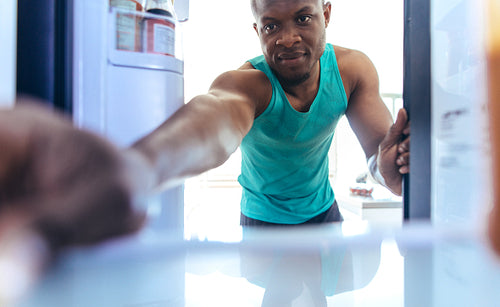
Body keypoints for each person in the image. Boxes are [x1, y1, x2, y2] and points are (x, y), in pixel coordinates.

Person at [129, 0, 410, 226]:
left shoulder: (352, 71)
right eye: (272, 26)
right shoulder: (249, 84)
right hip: (261, 218)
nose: (287, 39)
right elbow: (214, 119)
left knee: (324, 297)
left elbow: (379, 154)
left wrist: (387, 174)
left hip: (324, 211)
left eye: (303, 19)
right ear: (258, 30)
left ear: (326, 13)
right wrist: (143, 165)